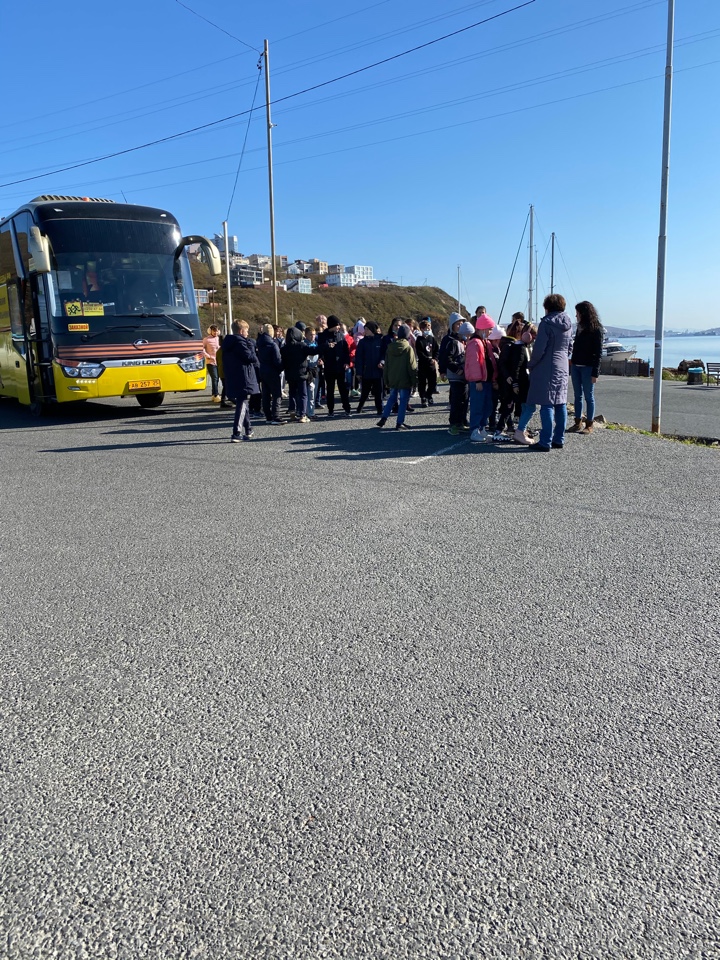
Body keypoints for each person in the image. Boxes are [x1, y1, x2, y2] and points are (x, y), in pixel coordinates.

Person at [514, 294, 573, 451]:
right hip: (562, 364)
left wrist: (531, 364)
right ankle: (558, 439)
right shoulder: (568, 322)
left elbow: (540, 349)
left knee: (547, 404)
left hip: (547, 365)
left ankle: (545, 441)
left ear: (547, 307)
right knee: (560, 403)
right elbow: (570, 346)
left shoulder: (546, 324)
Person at [568, 300, 604, 434]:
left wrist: (596, 372)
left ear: (583, 313)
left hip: (588, 367)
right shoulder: (579, 328)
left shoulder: (597, 329)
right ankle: (577, 422)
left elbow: (599, 352)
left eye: (577, 312)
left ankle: (589, 424)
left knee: (589, 396)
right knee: (577, 395)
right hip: (576, 365)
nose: (576, 315)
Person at [222, 320, 260, 442]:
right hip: (244, 375)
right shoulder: (241, 343)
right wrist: (251, 347)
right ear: (241, 331)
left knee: (243, 401)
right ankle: (236, 432)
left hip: (233, 375)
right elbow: (251, 357)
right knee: (242, 402)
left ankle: (248, 429)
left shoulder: (227, 343)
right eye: (247, 331)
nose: (248, 334)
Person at [377, 324, 418, 430]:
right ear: (408, 336)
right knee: (403, 400)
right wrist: (414, 380)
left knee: (392, 398)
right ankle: (400, 422)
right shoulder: (408, 349)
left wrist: (386, 378)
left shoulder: (390, 348)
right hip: (404, 379)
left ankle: (384, 418)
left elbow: (387, 365)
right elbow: (412, 366)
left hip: (393, 378)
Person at [465, 314, 498, 442]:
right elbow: (474, 363)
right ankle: (474, 430)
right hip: (479, 381)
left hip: (487, 380)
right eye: (489, 329)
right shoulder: (475, 343)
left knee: (487, 406)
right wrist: (477, 380)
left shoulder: (485, 342)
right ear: (483, 328)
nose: (490, 332)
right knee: (477, 405)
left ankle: (482, 428)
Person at [439, 313, 472, 436]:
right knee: (457, 400)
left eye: (462, 323)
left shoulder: (462, 340)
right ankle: (454, 423)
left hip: (464, 376)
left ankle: (462, 420)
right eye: (458, 324)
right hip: (456, 376)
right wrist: (449, 370)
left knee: (464, 399)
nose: (460, 326)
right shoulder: (449, 340)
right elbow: (445, 358)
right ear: (452, 326)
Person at [281, 326, 319, 423]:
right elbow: (314, 351)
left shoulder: (285, 348)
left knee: (292, 393)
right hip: (301, 373)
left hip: (290, 373)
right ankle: (302, 415)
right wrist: (326, 346)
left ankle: (292, 410)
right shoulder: (301, 346)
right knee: (303, 394)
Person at [318, 315, 352, 417]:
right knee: (330, 389)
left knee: (343, 389)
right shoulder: (323, 336)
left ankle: (347, 408)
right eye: (337, 325)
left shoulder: (341, 335)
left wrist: (346, 362)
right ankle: (331, 410)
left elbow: (346, 351)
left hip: (340, 366)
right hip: (329, 366)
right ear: (331, 325)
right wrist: (325, 351)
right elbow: (320, 350)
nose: (338, 327)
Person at [509, 323, 537, 442]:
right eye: (534, 337)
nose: (534, 340)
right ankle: (520, 431)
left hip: (523, 383)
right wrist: (515, 383)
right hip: (522, 383)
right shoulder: (520, 349)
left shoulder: (521, 347)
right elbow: (516, 367)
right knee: (530, 408)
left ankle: (522, 429)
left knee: (525, 407)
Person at [354, 320, 384, 415]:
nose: (365, 330)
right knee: (365, 392)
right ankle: (359, 408)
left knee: (379, 392)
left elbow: (384, 354)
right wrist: (358, 372)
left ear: (372, 330)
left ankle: (380, 409)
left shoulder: (380, 340)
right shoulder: (362, 342)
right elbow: (358, 358)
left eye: (367, 329)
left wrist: (382, 362)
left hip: (378, 371)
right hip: (366, 371)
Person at [256, 321, 283, 424]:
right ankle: (276, 416)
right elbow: (277, 360)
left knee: (266, 395)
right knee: (276, 394)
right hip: (273, 371)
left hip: (263, 370)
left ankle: (268, 417)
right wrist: (281, 367)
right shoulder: (273, 344)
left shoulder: (259, 342)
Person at [415, 318, 439, 407]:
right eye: (426, 328)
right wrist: (428, 359)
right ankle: (423, 398)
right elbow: (419, 353)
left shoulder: (432, 339)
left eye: (429, 327)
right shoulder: (419, 340)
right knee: (422, 383)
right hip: (423, 364)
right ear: (421, 329)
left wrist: (435, 359)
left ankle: (429, 395)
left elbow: (436, 350)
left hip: (431, 364)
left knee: (432, 382)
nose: (428, 329)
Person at [304, 326, 320, 419]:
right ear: (306, 335)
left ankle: (311, 411)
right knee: (309, 391)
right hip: (308, 370)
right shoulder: (305, 345)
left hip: (315, 369)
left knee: (314, 391)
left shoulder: (316, 344)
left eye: (314, 335)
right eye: (310, 335)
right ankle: (308, 412)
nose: (312, 337)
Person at [203, 325, 221, 402]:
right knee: (214, 378)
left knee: (217, 379)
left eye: (217, 331)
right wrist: (208, 356)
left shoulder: (219, 339)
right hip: (210, 362)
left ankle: (213, 394)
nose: (215, 332)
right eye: (214, 331)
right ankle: (216, 394)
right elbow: (202, 348)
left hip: (219, 362)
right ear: (210, 331)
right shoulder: (206, 339)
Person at [315, 315, 328, 408]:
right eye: (320, 321)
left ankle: (320, 398)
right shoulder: (316, 336)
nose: (322, 322)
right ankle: (316, 400)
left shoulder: (327, 335)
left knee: (323, 382)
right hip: (318, 361)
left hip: (326, 360)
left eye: (323, 321)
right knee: (318, 383)